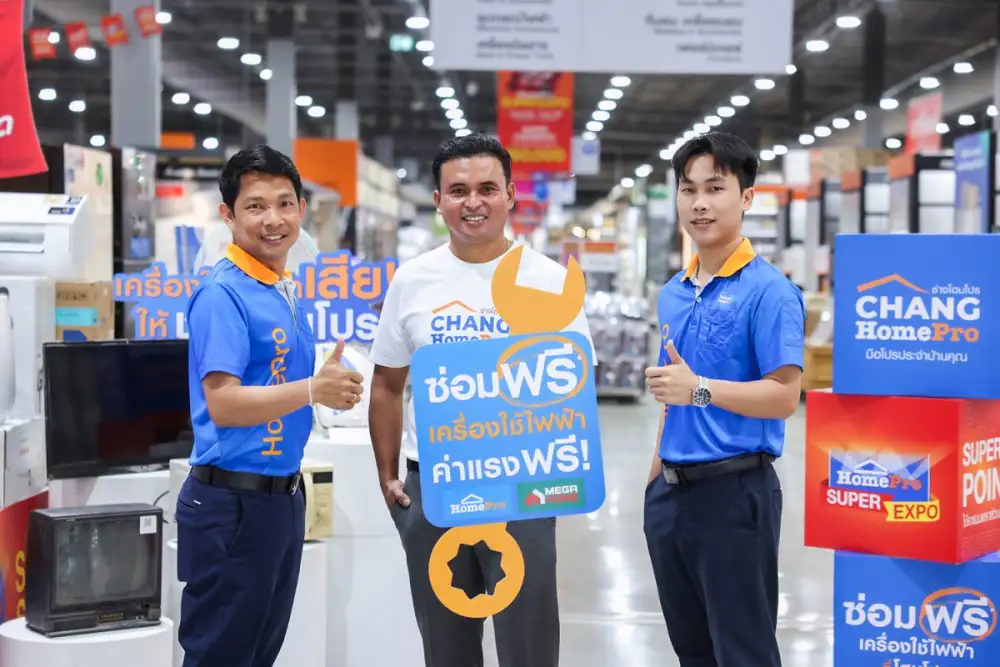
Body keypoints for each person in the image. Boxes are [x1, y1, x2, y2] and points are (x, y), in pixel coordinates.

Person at [368, 133, 593, 667]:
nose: (474, 202)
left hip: (522, 486)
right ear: (438, 199)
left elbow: (574, 388)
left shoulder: (550, 283)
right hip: (434, 487)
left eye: (488, 189)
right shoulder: (413, 281)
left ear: (510, 195)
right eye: (458, 190)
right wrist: (387, 475)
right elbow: (387, 383)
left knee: (529, 643)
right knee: (446, 646)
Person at [175, 144, 365, 667]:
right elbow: (224, 403)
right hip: (231, 505)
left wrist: (330, 389)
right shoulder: (223, 293)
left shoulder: (281, 288)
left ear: (302, 209)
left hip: (279, 501)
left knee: (258, 654)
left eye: (284, 204)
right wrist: (313, 390)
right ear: (228, 215)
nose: (273, 220)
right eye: (255, 206)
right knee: (221, 656)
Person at [642, 132, 804, 667]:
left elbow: (784, 396)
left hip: (734, 494)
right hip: (671, 497)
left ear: (746, 197)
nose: (700, 203)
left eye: (715, 188)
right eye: (688, 189)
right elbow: (673, 393)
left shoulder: (770, 291)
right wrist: (655, 477)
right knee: (692, 650)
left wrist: (701, 390)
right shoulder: (673, 292)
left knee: (743, 652)